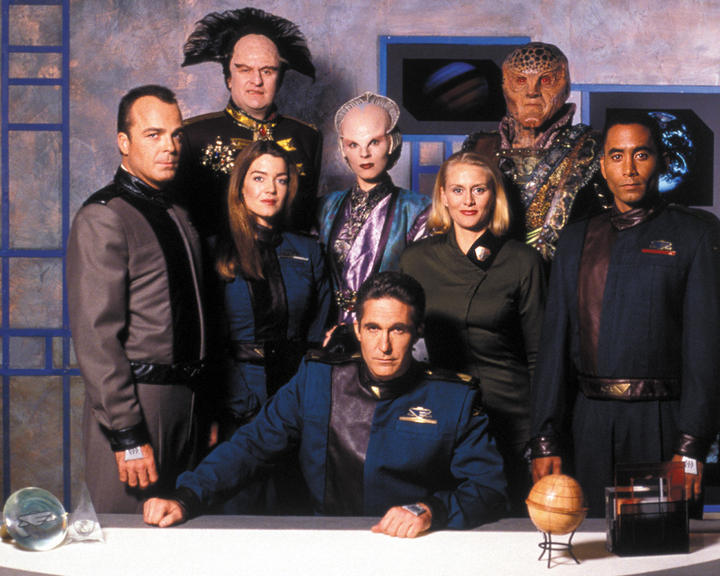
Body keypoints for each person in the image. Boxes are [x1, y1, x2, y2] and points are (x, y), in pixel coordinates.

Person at [143, 272, 507, 537]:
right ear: (358, 329)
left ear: (417, 332)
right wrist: (187, 496)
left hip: (413, 545)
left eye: (397, 329)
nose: (384, 346)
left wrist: (431, 510)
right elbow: (251, 446)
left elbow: (488, 488)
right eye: (373, 328)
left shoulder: (454, 398)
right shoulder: (318, 379)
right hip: (329, 540)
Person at [529, 110, 720, 515]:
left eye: (641, 154)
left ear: (661, 160)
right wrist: (545, 438)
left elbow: (709, 351)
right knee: (588, 542)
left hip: (664, 424)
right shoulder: (575, 239)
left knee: (657, 543)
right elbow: (553, 348)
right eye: (617, 156)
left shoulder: (695, 234)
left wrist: (691, 446)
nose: (629, 169)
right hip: (588, 424)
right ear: (602, 165)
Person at [67, 85, 208, 513]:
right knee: (124, 536)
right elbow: (97, 339)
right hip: (136, 404)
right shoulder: (104, 215)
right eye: (153, 134)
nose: (170, 146)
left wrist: (205, 410)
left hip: (188, 404)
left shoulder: (179, 213)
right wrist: (127, 435)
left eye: (176, 134)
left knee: (181, 535)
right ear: (124, 143)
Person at [400, 151, 544, 513]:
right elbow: (399, 336)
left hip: (510, 414)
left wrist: (545, 436)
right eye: (458, 190)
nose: (468, 200)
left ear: (493, 195)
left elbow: (540, 357)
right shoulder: (415, 260)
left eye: (479, 189)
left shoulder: (523, 261)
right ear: (443, 196)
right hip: (443, 414)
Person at [212, 139, 330, 512]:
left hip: (295, 392)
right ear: (240, 186)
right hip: (238, 396)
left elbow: (319, 331)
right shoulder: (215, 250)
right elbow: (208, 338)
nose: (270, 189)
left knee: (295, 508)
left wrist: (304, 393)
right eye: (259, 177)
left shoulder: (308, 250)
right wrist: (237, 403)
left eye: (281, 179)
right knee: (240, 507)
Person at [178, 8, 321, 236]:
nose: (257, 81)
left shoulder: (307, 137)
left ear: (280, 78)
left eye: (267, 71)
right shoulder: (192, 135)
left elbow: (305, 219)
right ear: (228, 77)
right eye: (245, 70)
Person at [464, 42, 604, 261]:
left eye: (546, 80)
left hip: (563, 275)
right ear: (504, 84)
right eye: (521, 81)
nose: (532, 92)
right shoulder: (480, 147)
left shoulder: (592, 146)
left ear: (565, 84)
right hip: (490, 275)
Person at [318, 92, 430, 328]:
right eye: (353, 145)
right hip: (327, 331)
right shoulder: (324, 207)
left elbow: (422, 288)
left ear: (391, 143)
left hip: (387, 329)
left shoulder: (418, 209)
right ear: (343, 149)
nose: (364, 154)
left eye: (374, 142)